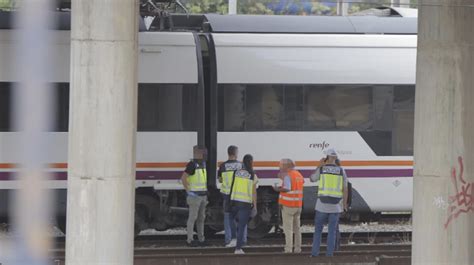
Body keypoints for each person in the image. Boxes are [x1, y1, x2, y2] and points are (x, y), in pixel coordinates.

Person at [310, 149, 348, 257]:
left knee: (318, 231)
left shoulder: (322, 169)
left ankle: (314, 254)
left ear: (327, 157)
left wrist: (318, 165)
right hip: (335, 207)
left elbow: (312, 179)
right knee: (332, 232)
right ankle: (329, 255)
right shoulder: (341, 170)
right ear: (335, 158)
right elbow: (345, 189)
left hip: (321, 206)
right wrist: (344, 205)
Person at [217, 145, 247, 247]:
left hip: (227, 196)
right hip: (240, 196)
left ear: (228, 153)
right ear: (235, 153)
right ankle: (242, 240)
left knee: (228, 219)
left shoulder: (223, 166)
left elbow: (220, 179)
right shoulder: (241, 165)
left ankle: (229, 240)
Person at [273, 159, 305, 253]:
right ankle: (298, 249)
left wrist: (277, 189)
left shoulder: (288, 176)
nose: (280, 167)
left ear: (287, 166)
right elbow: (299, 184)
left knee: (288, 229)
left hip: (288, 205)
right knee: (297, 228)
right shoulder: (299, 175)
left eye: (281, 165)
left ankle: (288, 249)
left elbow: (287, 188)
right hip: (298, 205)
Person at [229, 154, 258, 254]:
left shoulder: (236, 172)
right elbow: (254, 191)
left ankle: (233, 239)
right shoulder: (252, 174)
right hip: (245, 203)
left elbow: (232, 186)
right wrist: (255, 205)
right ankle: (238, 248)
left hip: (235, 201)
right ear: (251, 162)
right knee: (242, 226)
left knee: (234, 221)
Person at [181, 145, 208, 247]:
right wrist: (189, 191)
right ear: (198, 153)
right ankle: (190, 240)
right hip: (194, 196)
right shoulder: (192, 165)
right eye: (203, 153)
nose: (205, 154)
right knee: (192, 218)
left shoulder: (202, 164)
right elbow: (184, 178)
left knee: (201, 218)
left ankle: (201, 239)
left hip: (202, 195)